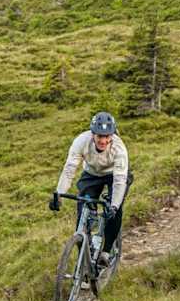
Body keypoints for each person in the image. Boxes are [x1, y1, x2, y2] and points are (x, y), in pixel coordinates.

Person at [50, 112, 131, 268]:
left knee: (115, 209)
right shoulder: (81, 141)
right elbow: (69, 169)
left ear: (112, 135)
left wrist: (113, 206)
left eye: (107, 136)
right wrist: (58, 194)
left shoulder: (119, 149)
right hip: (92, 173)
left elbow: (120, 181)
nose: (103, 140)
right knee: (83, 210)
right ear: (92, 134)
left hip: (114, 175)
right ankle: (85, 262)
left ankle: (106, 252)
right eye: (99, 136)